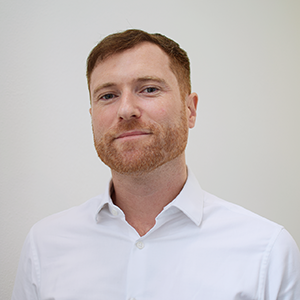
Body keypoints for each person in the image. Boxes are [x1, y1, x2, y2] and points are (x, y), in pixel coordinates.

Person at [12, 29, 300, 300]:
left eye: (148, 89)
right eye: (108, 95)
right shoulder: (44, 246)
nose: (126, 110)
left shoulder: (267, 252)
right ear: (92, 115)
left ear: (190, 110)